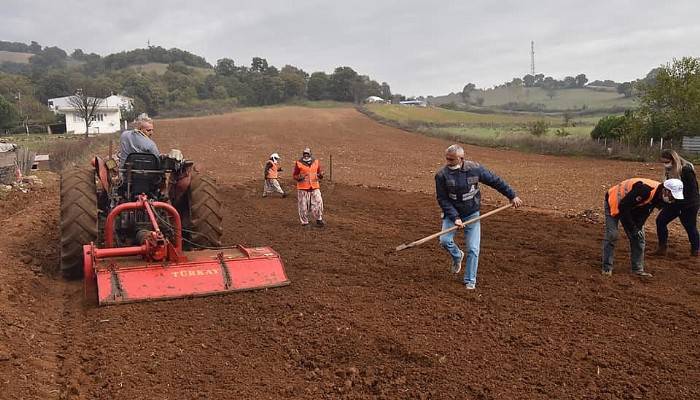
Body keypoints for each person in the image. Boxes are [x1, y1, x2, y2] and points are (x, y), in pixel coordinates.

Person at [435, 144, 523, 290]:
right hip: (452, 214)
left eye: (451, 160)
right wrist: (455, 217)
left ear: (461, 158)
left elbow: (495, 181)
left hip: (472, 214)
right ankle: (457, 256)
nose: (448, 162)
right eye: (446, 159)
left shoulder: (475, 169)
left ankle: (470, 280)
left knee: (473, 249)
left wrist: (512, 195)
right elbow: (442, 199)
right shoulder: (441, 175)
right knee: (444, 240)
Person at [602, 177, 684, 277]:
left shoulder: (658, 197)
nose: (672, 199)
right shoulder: (645, 190)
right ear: (665, 190)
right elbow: (623, 207)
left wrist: (638, 228)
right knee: (612, 235)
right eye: (672, 196)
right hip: (614, 201)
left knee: (639, 238)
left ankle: (637, 270)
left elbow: (645, 212)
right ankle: (607, 268)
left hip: (631, 206)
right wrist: (632, 228)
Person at [654, 149, 699, 257]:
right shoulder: (669, 171)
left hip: (689, 204)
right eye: (663, 162)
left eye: (666, 162)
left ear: (673, 160)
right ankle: (662, 248)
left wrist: (678, 202)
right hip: (675, 203)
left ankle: (696, 249)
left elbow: (692, 190)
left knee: (690, 226)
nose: (665, 165)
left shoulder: (686, 170)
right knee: (660, 221)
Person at [292, 148, 324, 227]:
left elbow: (320, 173)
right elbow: (294, 175)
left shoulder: (316, 162)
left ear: (310, 154)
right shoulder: (299, 163)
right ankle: (304, 222)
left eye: (307, 154)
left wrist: (320, 175)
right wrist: (299, 178)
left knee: (318, 203)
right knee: (303, 206)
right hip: (303, 188)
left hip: (315, 186)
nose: (306, 155)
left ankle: (319, 219)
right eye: (304, 154)